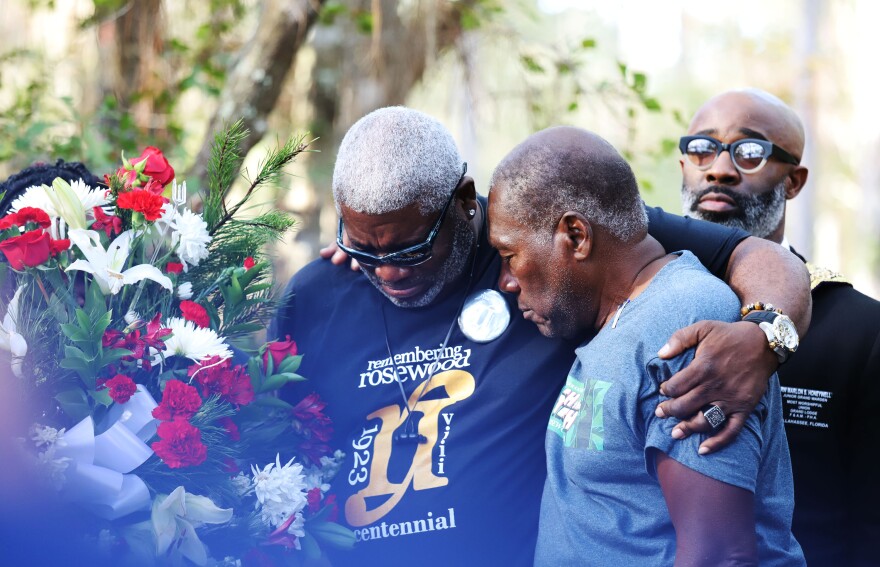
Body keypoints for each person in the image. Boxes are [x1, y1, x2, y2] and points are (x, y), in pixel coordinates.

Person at [271, 106, 811, 566]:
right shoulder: (321, 293)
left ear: (464, 202)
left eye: (409, 249)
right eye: (368, 251)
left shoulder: (559, 235)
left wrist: (765, 335)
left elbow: (754, 256)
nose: (387, 271)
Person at [488, 125, 805, 566]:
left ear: (576, 236)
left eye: (509, 255)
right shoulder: (623, 320)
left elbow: (719, 556)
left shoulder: (684, 323)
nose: (505, 281)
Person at [679, 88, 880, 566]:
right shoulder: (633, 309)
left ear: (793, 181)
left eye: (751, 152)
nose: (720, 169)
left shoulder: (863, 332)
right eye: (701, 149)